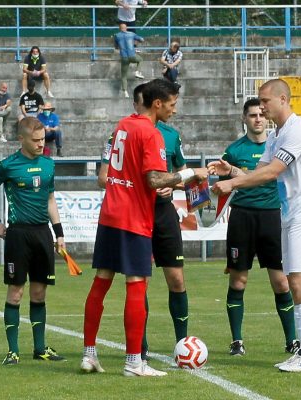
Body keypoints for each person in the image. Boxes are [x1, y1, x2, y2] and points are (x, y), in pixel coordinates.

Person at [81, 79, 207, 377]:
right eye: (173, 105)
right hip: (134, 217)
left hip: (110, 213)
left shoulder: (123, 124)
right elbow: (154, 180)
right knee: (136, 284)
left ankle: (89, 354)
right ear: (158, 103)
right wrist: (191, 173)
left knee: (101, 282)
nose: (174, 111)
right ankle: (134, 362)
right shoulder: (151, 134)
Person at [210, 79, 301, 373]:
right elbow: (261, 170)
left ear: (283, 99)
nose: (261, 107)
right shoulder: (278, 135)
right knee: (294, 280)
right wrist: (234, 171)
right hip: (290, 215)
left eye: (265, 101)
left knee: (298, 281)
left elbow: (273, 172)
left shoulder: (298, 131)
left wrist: (231, 184)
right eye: (259, 103)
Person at [97, 82, 191, 363]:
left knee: (176, 278)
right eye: (136, 104)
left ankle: (182, 345)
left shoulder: (171, 135)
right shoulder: (122, 132)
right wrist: (150, 184)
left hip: (163, 212)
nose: (137, 108)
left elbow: (182, 171)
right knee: (140, 278)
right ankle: (141, 348)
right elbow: (104, 177)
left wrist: (170, 185)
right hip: (136, 211)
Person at [0, 117, 67, 366]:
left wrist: (59, 233)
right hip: (18, 235)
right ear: (22, 139)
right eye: (36, 140)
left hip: (43, 234)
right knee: (16, 292)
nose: (41, 144)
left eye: (43, 139)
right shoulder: (8, 165)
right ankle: (13, 351)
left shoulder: (49, 164)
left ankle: (40, 348)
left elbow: (50, 200)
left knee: (39, 293)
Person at [215, 98, 298, 359]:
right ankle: (237, 340)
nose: (258, 119)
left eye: (261, 114)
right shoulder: (233, 150)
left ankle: (291, 340)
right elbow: (223, 188)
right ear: (244, 119)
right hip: (242, 218)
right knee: (239, 280)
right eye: (252, 115)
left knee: (282, 282)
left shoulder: (277, 145)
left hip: (272, 217)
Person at [114, 23, 145, 98]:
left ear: (119, 28)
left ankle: (125, 91)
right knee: (140, 60)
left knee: (124, 75)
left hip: (124, 57)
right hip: (132, 55)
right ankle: (137, 72)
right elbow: (142, 39)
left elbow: (116, 47)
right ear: (126, 28)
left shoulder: (117, 35)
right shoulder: (131, 34)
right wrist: (136, 41)